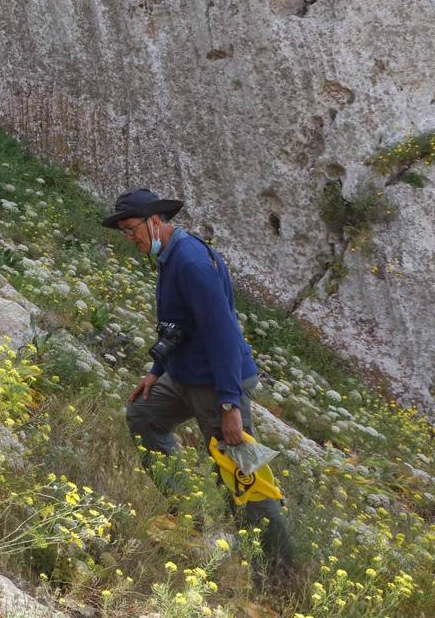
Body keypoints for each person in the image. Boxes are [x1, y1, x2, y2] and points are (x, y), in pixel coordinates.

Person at [107, 187, 299, 583]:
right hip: (184, 376)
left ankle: (281, 577)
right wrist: (157, 369)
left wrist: (230, 404)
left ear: (155, 221)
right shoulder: (169, 256)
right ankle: (188, 511)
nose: (130, 239)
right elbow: (178, 326)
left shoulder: (191, 262)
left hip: (217, 383)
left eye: (132, 230)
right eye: (124, 232)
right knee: (143, 414)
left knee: (240, 477)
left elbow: (224, 334)